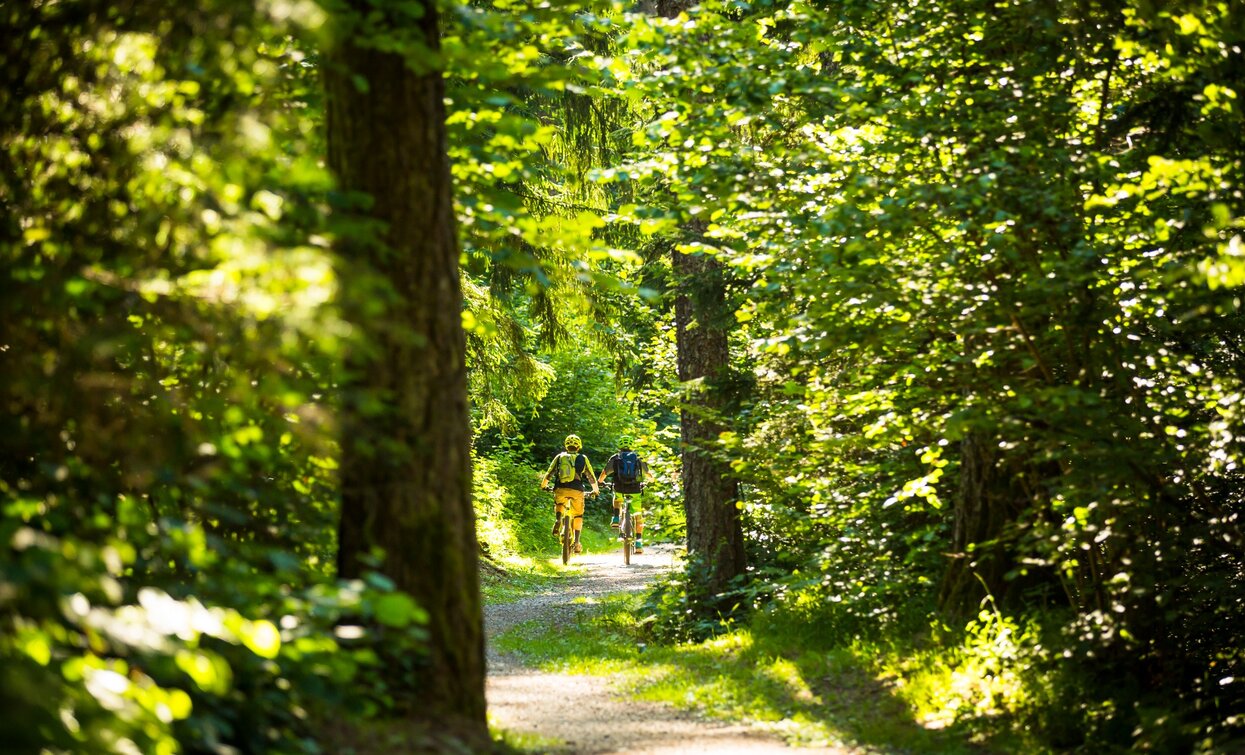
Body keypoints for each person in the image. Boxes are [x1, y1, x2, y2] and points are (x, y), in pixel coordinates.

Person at [541, 433, 599, 554]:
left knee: (559, 503)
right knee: (578, 515)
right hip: (576, 490)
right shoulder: (583, 458)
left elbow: (550, 472)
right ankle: (577, 542)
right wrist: (595, 490)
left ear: (566, 446)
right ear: (579, 446)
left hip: (560, 488)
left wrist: (544, 485)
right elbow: (590, 476)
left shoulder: (559, 457)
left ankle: (558, 520)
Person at [598, 438, 649, 554]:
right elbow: (648, 473)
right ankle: (639, 543)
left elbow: (604, 473)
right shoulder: (638, 458)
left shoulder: (616, 458)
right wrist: (652, 481)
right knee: (638, 516)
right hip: (635, 490)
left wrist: (600, 482)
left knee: (617, 498)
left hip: (619, 488)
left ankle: (616, 517)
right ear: (632, 446)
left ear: (619, 446)